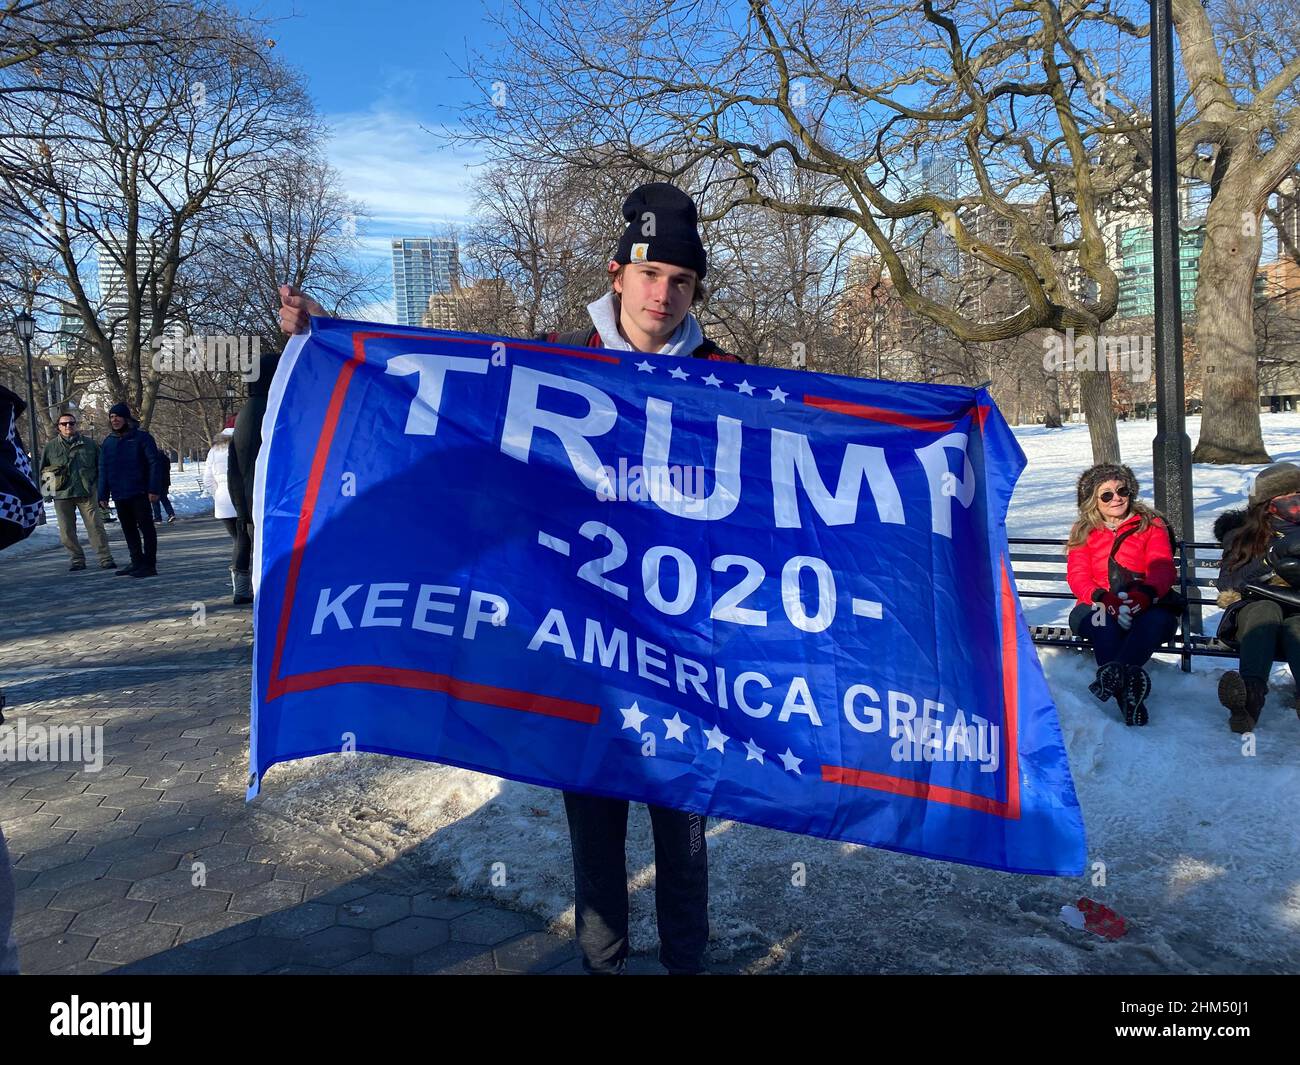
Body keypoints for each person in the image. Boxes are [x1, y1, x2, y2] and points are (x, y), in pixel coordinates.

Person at [278, 181, 731, 975]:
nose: (664, 294)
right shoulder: (552, 361)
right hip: (581, 649)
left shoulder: (728, 378)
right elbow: (449, 398)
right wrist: (328, 340)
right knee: (595, 824)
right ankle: (605, 963)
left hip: (680, 652)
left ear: (696, 290)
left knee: (683, 831)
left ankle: (687, 964)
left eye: (682, 280)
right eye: (650, 272)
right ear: (617, 272)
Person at [1066, 463, 1179, 726]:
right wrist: (1104, 599)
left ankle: (1113, 679)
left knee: (1155, 621)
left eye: (1122, 490)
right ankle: (1128, 695)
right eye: (1106, 494)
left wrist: (1145, 595)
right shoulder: (1084, 530)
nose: (1116, 498)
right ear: (1093, 500)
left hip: (1147, 602)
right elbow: (1077, 576)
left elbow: (1162, 566)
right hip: (1095, 604)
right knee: (1103, 622)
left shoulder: (1151, 525)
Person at [1212, 462, 1300, 733]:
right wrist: (1270, 558)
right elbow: (1229, 581)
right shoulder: (1242, 535)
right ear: (1268, 505)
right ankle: (1248, 701)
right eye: (1290, 499)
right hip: (1255, 615)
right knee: (1264, 612)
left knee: (1297, 626)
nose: (1297, 504)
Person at [39, 411, 117, 571]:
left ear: (76, 425)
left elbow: (101, 468)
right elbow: (45, 470)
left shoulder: (90, 444)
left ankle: (105, 558)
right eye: (64, 424)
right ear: (58, 427)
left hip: (86, 492)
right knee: (66, 531)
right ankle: (77, 559)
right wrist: (47, 493)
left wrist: (101, 490)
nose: (68, 426)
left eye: (71, 423)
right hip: (62, 494)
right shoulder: (50, 447)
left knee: (96, 527)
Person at [98, 402, 164, 578]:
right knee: (128, 529)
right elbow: (103, 468)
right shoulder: (108, 442)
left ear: (126, 418)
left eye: (118, 416)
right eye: (111, 417)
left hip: (140, 491)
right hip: (119, 493)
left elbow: (154, 464)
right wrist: (102, 494)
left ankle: (149, 565)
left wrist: (154, 488)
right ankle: (136, 561)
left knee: (146, 527)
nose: (115, 420)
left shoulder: (142, 438)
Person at [203, 426, 251, 605]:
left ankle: (239, 586)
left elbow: (208, 479)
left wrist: (219, 495)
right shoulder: (243, 444)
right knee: (243, 542)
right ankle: (241, 589)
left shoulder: (215, 449)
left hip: (223, 501)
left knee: (238, 541)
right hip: (242, 499)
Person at [150, 454, 176, 523]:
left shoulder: (153, 459)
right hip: (165, 482)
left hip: (156, 482)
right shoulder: (165, 458)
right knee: (164, 498)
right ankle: (171, 514)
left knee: (155, 500)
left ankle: (158, 517)